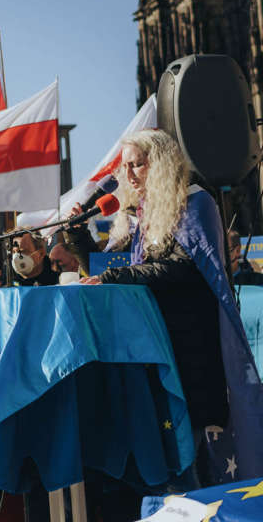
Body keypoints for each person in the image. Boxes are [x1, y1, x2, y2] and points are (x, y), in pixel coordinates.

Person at [81, 130, 233, 500]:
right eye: (125, 166)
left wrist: (115, 277)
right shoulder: (144, 211)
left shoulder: (194, 202)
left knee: (197, 459)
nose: (129, 175)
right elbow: (109, 264)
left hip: (192, 348)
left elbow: (183, 267)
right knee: (170, 461)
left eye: (137, 164)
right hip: (159, 343)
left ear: (161, 164)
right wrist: (76, 235)